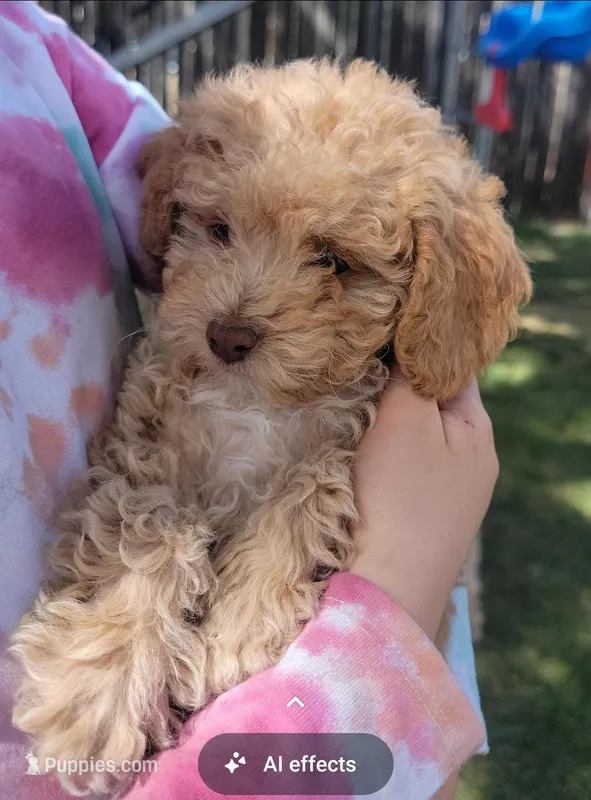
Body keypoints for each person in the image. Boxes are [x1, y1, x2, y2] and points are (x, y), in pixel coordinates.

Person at [0, 3, 491, 798]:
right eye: (217, 229)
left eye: (332, 262)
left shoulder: (44, 61)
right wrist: (394, 595)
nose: (237, 315)